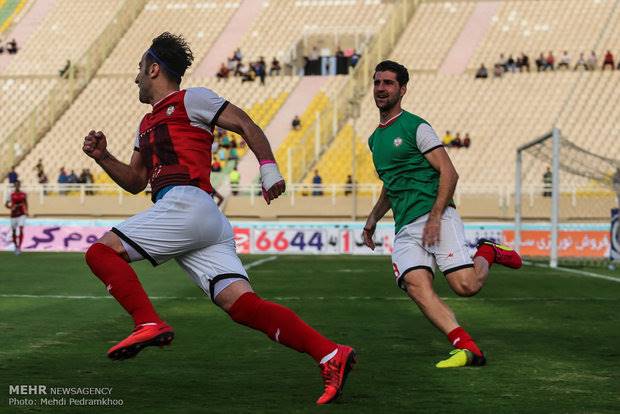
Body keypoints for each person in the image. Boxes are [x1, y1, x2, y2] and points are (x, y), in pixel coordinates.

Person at [81, 33, 355, 405]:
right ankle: (330, 353)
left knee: (100, 253)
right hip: (199, 217)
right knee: (241, 305)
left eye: (139, 70)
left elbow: (244, 123)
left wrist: (269, 168)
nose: (136, 78)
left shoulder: (192, 98)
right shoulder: (144, 124)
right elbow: (135, 181)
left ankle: (147, 322)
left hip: (186, 203)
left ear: (155, 68)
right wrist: (103, 157)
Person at [363, 60, 522, 369]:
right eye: (377, 82)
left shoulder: (416, 127)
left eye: (388, 83)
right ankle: (467, 348)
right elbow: (391, 185)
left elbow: (449, 172)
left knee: (466, 286)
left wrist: (436, 216)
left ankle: (487, 251)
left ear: (402, 89)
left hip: (435, 216)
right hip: (405, 227)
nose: (381, 88)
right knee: (415, 286)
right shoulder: (374, 139)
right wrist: (372, 219)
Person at [5, 181, 28, 255]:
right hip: (13, 215)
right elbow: (6, 204)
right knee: (14, 231)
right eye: (16, 185)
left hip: (21, 214)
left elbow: (25, 202)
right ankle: (15, 246)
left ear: (20, 185)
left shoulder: (23, 194)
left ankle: (19, 247)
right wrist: (11, 207)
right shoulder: (11, 194)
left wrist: (26, 211)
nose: (17, 186)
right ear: (14, 186)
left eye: (18, 185)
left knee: (21, 229)